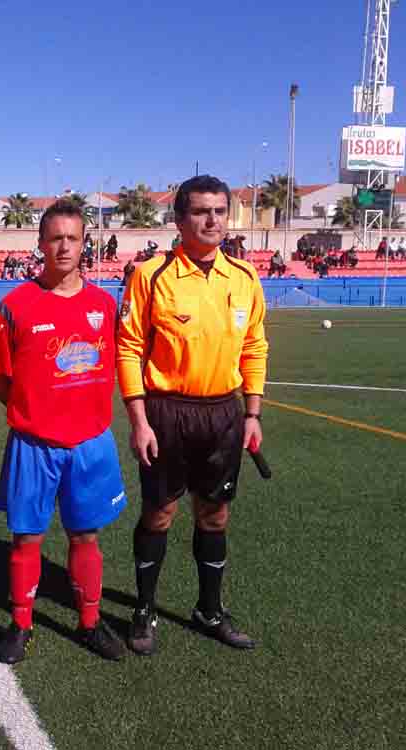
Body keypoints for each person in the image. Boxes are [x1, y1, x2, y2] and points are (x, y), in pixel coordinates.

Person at [116, 174, 268, 656]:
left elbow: (255, 347)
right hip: (167, 413)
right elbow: (128, 348)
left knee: (215, 515)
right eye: (201, 211)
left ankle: (210, 609)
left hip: (223, 413)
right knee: (159, 513)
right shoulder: (151, 275)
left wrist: (252, 413)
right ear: (180, 220)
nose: (212, 220)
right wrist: (139, 420)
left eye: (220, 211)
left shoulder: (244, 278)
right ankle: (144, 608)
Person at [0, 201, 128, 663]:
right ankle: (21, 623)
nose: (64, 246)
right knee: (27, 538)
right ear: (41, 244)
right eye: (55, 238)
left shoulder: (104, 304)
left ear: (84, 243)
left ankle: (90, 622)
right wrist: (32, 410)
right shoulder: (14, 306)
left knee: (85, 536)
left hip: (90, 443)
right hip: (34, 445)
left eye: (72, 238)